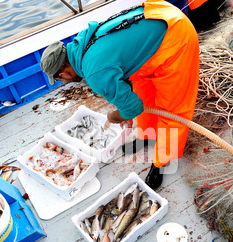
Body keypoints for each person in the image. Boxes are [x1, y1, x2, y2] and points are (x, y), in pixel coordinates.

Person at [40, 0, 200, 189]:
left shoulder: (93, 72)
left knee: (173, 110)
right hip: (157, 16)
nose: (63, 82)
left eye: (60, 80)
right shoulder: (82, 44)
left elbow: (132, 108)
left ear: (63, 74)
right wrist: (125, 108)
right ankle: (147, 135)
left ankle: (162, 163)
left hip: (175, 37)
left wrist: (114, 115)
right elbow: (123, 70)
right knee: (143, 92)